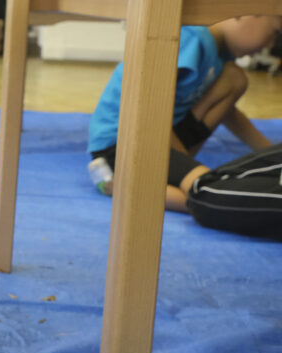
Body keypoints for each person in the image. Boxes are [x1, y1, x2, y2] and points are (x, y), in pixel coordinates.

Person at [87, 16, 281, 212]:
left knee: (234, 78)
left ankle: (170, 174)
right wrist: (189, 166)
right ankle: (119, 185)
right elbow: (151, 108)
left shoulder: (221, 54)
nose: (270, 45)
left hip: (162, 132)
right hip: (124, 141)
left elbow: (228, 113)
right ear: (244, 13)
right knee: (206, 194)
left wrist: (270, 153)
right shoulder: (193, 39)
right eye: (274, 33)